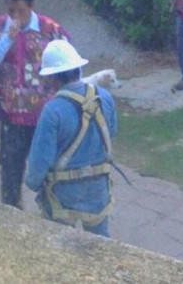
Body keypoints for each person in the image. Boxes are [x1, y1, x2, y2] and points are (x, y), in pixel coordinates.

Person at [0, 0, 69, 208]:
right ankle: (11, 214)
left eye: (21, 10)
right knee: (10, 169)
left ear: (31, 6)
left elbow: (69, 65)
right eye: (11, 11)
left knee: (49, 168)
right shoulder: (0, 27)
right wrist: (7, 39)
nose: (16, 16)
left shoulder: (51, 30)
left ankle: (52, 214)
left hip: (45, 117)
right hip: (12, 116)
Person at [25, 39, 117, 237]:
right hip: (98, 190)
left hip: (62, 196)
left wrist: (32, 183)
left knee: (60, 248)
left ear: (53, 78)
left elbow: (41, 160)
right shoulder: (105, 98)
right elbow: (112, 133)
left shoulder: (52, 111)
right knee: (102, 249)